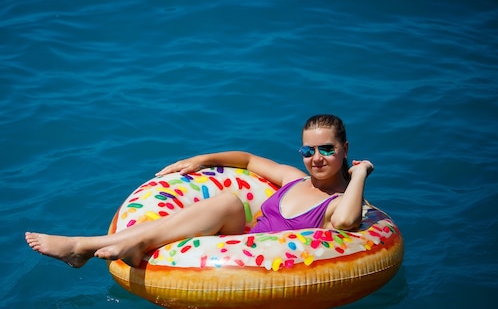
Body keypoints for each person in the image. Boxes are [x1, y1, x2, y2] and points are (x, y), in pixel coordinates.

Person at [25, 114, 374, 268]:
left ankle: (83, 246)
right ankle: (110, 245)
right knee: (226, 201)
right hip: (236, 243)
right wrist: (200, 159)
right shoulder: (294, 179)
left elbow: (345, 222)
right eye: (307, 150)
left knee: (221, 204)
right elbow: (250, 160)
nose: (316, 158)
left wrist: (359, 174)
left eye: (327, 149)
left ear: (344, 148)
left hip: (265, 262)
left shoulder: (338, 203)